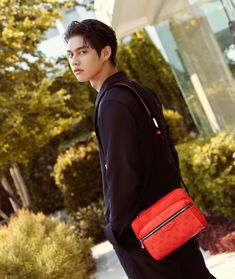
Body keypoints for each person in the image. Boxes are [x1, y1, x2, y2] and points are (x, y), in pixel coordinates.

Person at [64, 19, 216, 279]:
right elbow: (169, 152)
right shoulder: (138, 91)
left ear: (105, 52)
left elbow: (122, 170)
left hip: (143, 231)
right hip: (170, 214)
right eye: (70, 54)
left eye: (83, 52)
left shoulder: (112, 103)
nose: (74, 61)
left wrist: (117, 230)